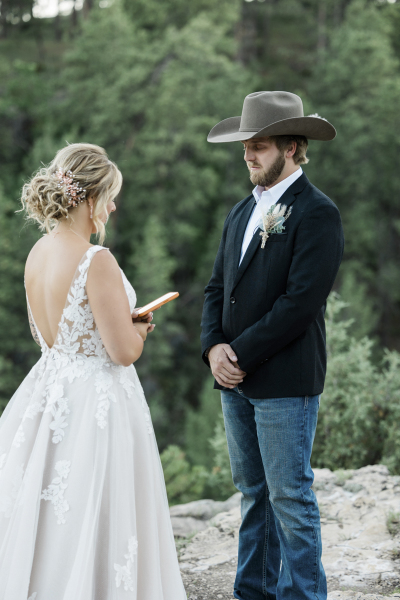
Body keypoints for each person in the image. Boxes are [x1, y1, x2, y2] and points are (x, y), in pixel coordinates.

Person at [0, 143, 187, 600]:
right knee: (95, 505)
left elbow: (53, 334)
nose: (114, 206)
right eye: (110, 196)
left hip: (48, 392)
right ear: (89, 199)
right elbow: (121, 351)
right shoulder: (95, 260)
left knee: (46, 513)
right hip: (95, 403)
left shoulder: (38, 254)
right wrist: (140, 329)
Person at [201, 91, 344, 600]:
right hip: (233, 380)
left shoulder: (317, 213)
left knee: (290, 497)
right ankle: (252, 592)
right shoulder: (241, 212)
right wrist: (213, 348)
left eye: (259, 145)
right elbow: (217, 288)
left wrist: (237, 353)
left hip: (285, 379)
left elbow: (300, 304)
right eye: (246, 145)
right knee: (253, 495)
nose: (248, 154)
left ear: (292, 146)